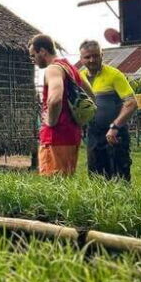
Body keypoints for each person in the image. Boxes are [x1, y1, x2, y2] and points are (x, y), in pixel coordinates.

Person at [29, 34, 92, 176]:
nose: (32, 60)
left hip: (55, 137)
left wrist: (50, 122)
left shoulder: (53, 69)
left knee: (52, 186)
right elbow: (91, 95)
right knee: (65, 185)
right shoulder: (71, 68)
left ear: (43, 52)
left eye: (33, 56)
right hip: (72, 135)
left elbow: (55, 99)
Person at [79, 40, 137, 181]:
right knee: (96, 177)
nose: (92, 60)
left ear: (102, 55)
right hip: (93, 133)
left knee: (119, 177)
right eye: (87, 57)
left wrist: (115, 126)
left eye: (95, 55)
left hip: (115, 134)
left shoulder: (114, 75)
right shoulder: (79, 78)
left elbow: (131, 102)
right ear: (81, 59)